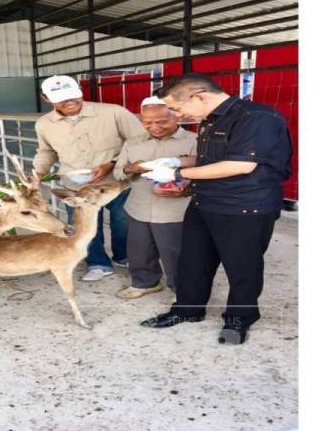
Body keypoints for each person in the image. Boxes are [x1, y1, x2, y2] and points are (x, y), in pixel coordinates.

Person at [139, 73, 293, 345]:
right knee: (193, 262)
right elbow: (211, 158)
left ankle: (239, 319)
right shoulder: (211, 118)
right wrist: (173, 160)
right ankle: (188, 310)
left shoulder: (257, 118)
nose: (179, 114)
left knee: (242, 267)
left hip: (244, 207)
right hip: (204, 201)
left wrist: (177, 171)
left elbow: (241, 165)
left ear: (199, 97)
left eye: (177, 108)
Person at [32, 75, 148, 281]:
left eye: (73, 95)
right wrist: (38, 172)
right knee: (82, 223)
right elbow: (46, 151)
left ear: (80, 89)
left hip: (117, 182)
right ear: (45, 98)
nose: (70, 102)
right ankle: (97, 263)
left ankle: (123, 255)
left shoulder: (114, 112)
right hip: (75, 184)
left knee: (123, 221)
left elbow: (140, 143)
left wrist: (112, 164)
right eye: (61, 98)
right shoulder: (44, 124)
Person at [113, 96, 197, 300]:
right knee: (139, 249)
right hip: (139, 206)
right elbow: (118, 173)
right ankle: (145, 283)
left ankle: (182, 290)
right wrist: (131, 168)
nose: (155, 127)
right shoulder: (133, 143)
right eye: (148, 122)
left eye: (162, 121)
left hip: (176, 209)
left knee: (175, 252)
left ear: (176, 116)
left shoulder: (194, 141)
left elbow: (209, 174)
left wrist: (186, 190)